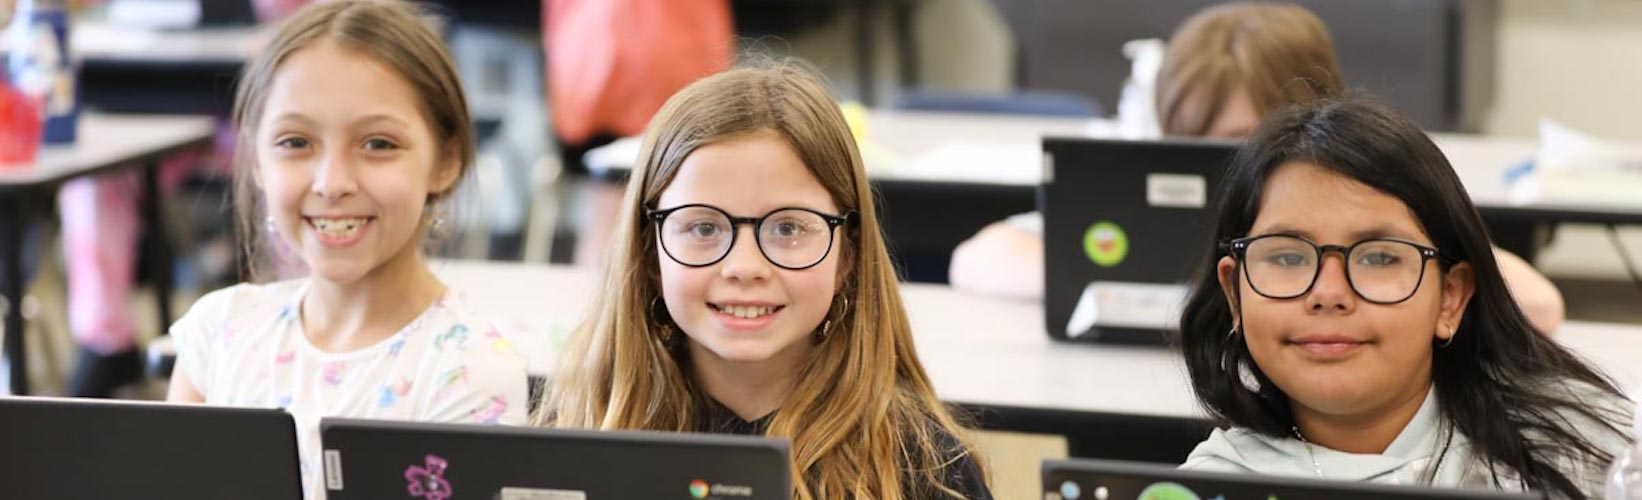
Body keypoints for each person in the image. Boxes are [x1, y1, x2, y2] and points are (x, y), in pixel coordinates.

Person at [948, 2, 1565, 335]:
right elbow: (974, 258)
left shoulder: (1368, 198)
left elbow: (1537, 304)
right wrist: (1137, 282)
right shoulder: (1137, 199)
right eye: (1186, 147)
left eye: (1244, 147)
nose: (1221, 175)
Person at [537, 62, 993, 499]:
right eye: (704, 228)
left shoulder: (924, 467)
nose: (745, 266)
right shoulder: (578, 435)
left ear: (848, 254)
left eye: (788, 228)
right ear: (650, 252)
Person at [1176, 97, 1633, 499]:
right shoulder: (1215, 487)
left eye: (1377, 258)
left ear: (1450, 298)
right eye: (1288, 257)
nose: (1328, 294)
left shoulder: (1583, 453)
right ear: (1235, 293)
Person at [166, 2, 528, 497]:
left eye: (377, 144)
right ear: (255, 160)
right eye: (295, 141)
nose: (332, 182)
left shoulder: (468, 371)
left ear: (446, 160)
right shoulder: (219, 333)